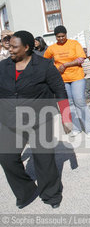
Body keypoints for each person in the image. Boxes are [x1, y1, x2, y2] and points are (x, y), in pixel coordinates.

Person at [0, 31, 71, 209]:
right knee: (7, 157)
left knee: (44, 158)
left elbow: (59, 90)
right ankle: (26, 191)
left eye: (15, 47)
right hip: (10, 119)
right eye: (9, 46)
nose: (10, 50)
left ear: (27, 47)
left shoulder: (45, 65)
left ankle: (51, 194)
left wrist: (66, 116)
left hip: (39, 119)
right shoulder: (3, 66)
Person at [44, 25, 90, 137]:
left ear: (66, 34)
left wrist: (66, 65)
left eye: (63, 36)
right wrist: (55, 68)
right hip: (62, 79)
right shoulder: (52, 48)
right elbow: (45, 61)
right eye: (58, 37)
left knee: (79, 102)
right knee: (70, 104)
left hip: (77, 77)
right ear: (55, 37)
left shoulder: (74, 44)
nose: (61, 38)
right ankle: (76, 128)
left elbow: (81, 59)